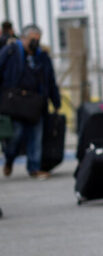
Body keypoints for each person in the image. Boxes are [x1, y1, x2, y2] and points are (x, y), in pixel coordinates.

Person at [1, 25, 60, 179]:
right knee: (16, 135)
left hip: (36, 102)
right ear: (24, 38)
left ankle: (34, 168)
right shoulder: (10, 52)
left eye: (37, 39)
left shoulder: (42, 56)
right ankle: (9, 159)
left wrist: (56, 102)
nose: (35, 42)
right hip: (16, 102)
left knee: (36, 136)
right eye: (32, 39)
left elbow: (51, 80)